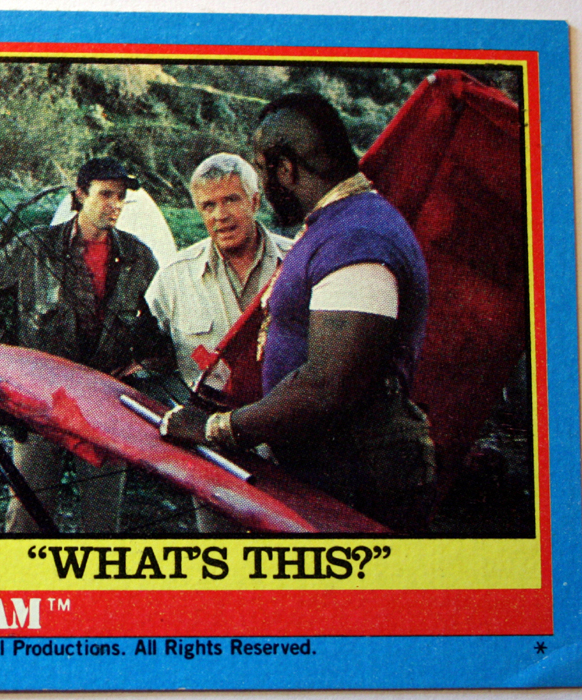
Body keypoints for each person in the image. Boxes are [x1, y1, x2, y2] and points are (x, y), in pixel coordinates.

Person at [161, 93, 437, 533]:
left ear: (286, 169)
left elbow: (329, 383)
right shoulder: (339, 226)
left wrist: (215, 428)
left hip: (354, 482)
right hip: (335, 472)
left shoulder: (356, 237)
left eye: (262, 169)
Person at [0, 157, 169, 533]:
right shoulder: (36, 245)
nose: (114, 205)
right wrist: (10, 357)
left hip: (107, 404)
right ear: (80, 195)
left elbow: (160, 322)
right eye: (105, 194)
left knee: (103, 521)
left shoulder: (138, 257)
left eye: (120, 197)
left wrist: (144, 363)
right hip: (41, 397)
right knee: (27, 511)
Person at [146, 153, 287, 532]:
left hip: (291, 448)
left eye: (231, 200)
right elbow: (146, 356)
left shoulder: (299, 263)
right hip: (213, 451)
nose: (220, 215)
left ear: (255, 201)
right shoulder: (173, 278)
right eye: (208, 205)